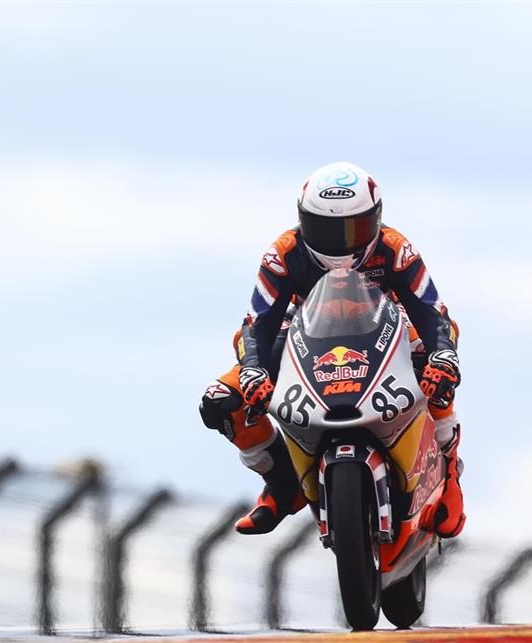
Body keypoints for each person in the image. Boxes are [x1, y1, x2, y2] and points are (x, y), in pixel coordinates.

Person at [199, 162, 465, 538]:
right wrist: (253, 370)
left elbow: (432, 310)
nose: (340, 242)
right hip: (306, 333)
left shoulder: (396, 248)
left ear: (376, 219)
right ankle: (282, 483)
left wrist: (444, 355)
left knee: (435, 364)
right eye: (325, 229)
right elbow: (256, 322)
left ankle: (449, 471)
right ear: (303, 222)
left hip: (386, 328)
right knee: (220, 400)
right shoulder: (282, 253)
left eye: (353, 228)